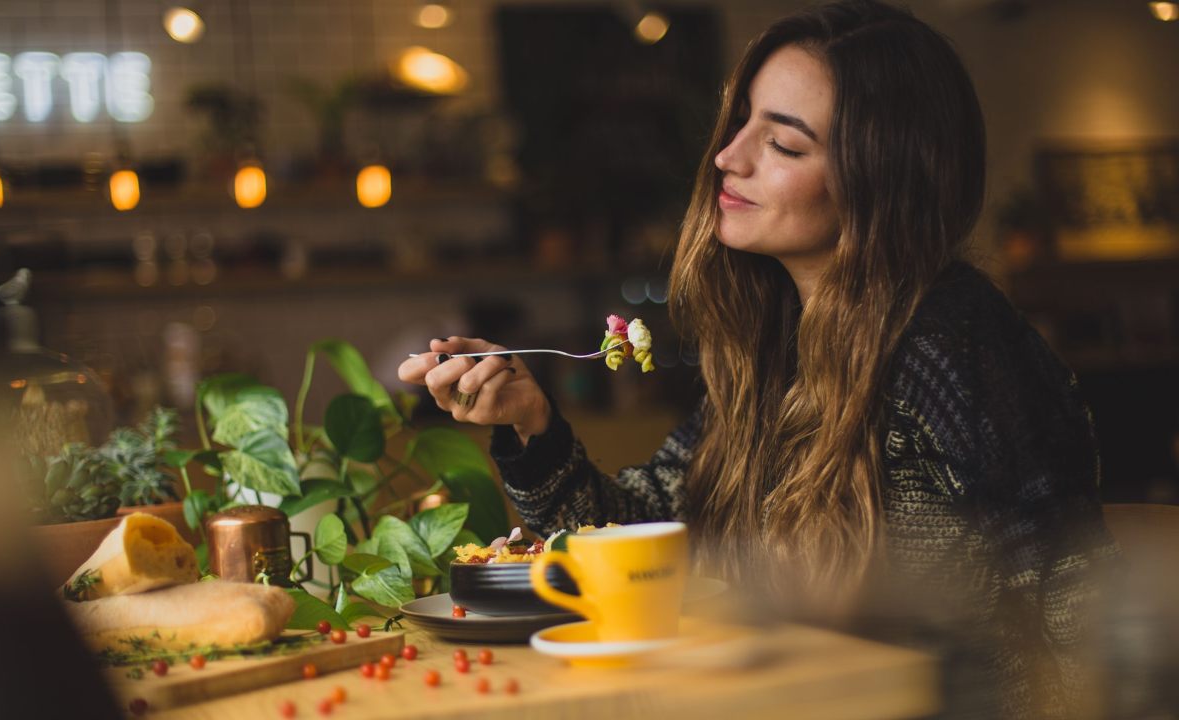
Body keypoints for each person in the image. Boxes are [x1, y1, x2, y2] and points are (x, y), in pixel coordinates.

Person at [398, 1, 1116, 716]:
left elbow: (1076, 608)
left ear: (881, 183)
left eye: (785, 145)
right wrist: (532, 423)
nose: (726, 156)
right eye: (742, 121)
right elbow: (648, 535)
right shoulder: (780, 349)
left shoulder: (954, 349)